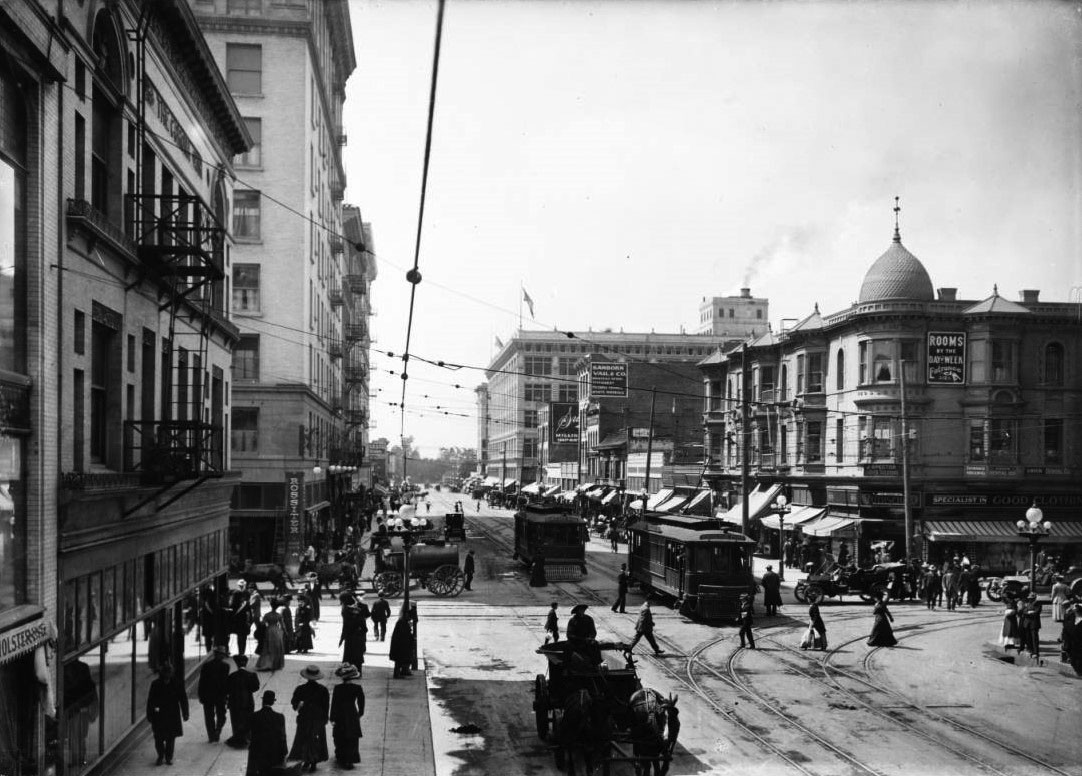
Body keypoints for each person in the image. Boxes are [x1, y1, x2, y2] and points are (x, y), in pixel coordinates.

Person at [146, 662, 188, 766]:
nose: (167, 674)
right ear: (162, 673)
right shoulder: (156, 684)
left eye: (169, 672)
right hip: (159, 715)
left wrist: (185, 713)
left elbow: (183, 699)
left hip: (172, 715)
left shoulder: (177, 684)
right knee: (158, 737)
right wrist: (150, 714)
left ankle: (169, 757)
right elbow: (151, 701)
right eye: (166, 672)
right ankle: (160, 755)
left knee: (171, 737)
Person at [289, 664, 330, 772]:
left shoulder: (300, 689)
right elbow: (326, 706)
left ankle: (306, 760)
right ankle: (313, 761)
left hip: (305, 718)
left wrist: (299, 705)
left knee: (304, 740)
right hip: (317, 719)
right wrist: (325, 719)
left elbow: (294, 703)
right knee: (315, 740)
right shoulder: (323, 690)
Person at [329, 663, 366, 770]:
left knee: (340, 736)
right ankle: (351, 759)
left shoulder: (338, 688)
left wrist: (332, 717)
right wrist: (360, 713)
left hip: (340, 714)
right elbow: (361, 702)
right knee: (352, 737)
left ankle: (341, 757)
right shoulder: (357, 688)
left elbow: (334, 703)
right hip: (352, 713)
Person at [247, 690, 288, 776]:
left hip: (257, 753)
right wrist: (284, 752)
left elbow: (248, 733)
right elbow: (282, 737)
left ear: (263, 701)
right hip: (274, 753)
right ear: (273, 702)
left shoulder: (253, 716)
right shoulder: (280, 717)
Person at [224, 654, 260, 748]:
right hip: (248, 702)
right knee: (247, 720)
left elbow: (226, 689)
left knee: (236, 720)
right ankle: (247, 738)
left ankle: (237, 738)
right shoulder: (252, 675)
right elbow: (256, 687)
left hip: (234, 702)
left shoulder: (232, 676)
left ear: (236, 664)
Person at [197, 645, 231, 742]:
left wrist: (201, 694)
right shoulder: (223, 666)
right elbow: (203, 681)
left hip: (213, 695)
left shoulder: (210, 666)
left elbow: (202, 682)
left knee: (213, 716)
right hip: (216, 695)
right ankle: (215, 733)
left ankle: (214, 733)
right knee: (217, 716)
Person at [340, 594, 370, 673]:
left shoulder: (347, 616)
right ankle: (357, 671)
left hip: (350, 639)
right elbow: (365, 629)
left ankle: (349, 671)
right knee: (357, 658)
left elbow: (345, 628)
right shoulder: (359, 618)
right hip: (357, 639)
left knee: (349, 657)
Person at [255, 600, 286, 671]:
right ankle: (276, 664)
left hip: (269, 630)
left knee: (268, 647)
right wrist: (285, 633)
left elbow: (262, 623)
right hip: (277, 631)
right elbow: (283, 625)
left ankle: (267, 663)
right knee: (277, 647)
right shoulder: (279, 615)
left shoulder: (267, 615)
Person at [390, 604, 415, 678]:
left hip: (400, 644)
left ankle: (401, 671)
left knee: (400, 659)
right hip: (400, 645)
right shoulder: (402, 622)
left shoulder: (402, 622)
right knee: (399, 660)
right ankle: (397, 674)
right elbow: (405, 634)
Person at [229, 580, 252, 656]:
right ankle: (241, 652)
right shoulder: (236, 593)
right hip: (240, 619)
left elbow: (248, 608)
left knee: (243, 637)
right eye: (240, 586)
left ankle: (242, 652)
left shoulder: (246, 593)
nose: (241, 587)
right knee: (241, 637)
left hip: (243, 619)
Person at [1019, 592, 1043, 659]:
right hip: (1027, 623)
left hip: (1034, 624)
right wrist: (1029, 612)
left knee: (1034, 638)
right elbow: (1024, 611)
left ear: (1034, 598)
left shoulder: (1038, 604)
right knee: (1028, 638)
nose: (1030, 599)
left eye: (1032, 598)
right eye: (1029, 598)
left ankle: (1036, 652)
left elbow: (1036, 613)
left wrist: (1029, 613)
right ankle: (1030, 650)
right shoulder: (1027, 604)